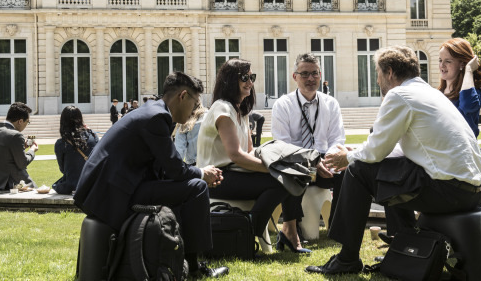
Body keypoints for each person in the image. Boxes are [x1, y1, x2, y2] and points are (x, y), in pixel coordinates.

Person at [306, 46, 481, 275]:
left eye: (378, 73)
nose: (378, 80)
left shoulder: (399, 95)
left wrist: (348, 157)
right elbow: (402, 148)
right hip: (470, 189)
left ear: (389, 72)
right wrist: (359, 149)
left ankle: (347, 258)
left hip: (448, 190)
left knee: (357, 171)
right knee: (390, 174)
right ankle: (404, 249)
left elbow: (376, 153)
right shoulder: (429, 93)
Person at [74, 72, 228, 278]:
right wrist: (202, 173)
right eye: (195, 103)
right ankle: (193, 268)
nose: (194, 111)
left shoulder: (154, 112)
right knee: (197, 188)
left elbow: (164, 169)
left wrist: (196, 174)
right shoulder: (157, 117)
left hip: (118, 189)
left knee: (186, 189)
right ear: (183, 96)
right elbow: (174, 169)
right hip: (114, 195)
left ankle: (181, 258)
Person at [196, 59, 295, 251]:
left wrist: (278, 162)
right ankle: (253, 229)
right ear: (230, 80)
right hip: (216, 178)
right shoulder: (223, 109)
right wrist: (272, 169)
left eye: (252, 77)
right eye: (244, 77)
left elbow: (250, 151)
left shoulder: (241, 111)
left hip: (233, 173)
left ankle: (284, 231)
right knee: (283, 181)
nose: (250, 82)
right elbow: (236, 155)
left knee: (290, 178)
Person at [271, 53, 346, 247]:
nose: (310, 79)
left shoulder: (331, 103)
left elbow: (337, 139)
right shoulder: (283, 105)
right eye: (304, 74)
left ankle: (338, 228)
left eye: (314, 73)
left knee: (348, 173)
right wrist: (312, 161)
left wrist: (329, 161)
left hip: (324, 159)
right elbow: (282, 145)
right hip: (296, 160)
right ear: (295, 77)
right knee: (290, 172)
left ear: (320, 75)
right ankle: (292, 229)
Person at [439, 37, 481, 191]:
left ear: (462, 63)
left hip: (469, 166)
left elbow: (468, 107)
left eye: (448, 61)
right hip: (443, 163)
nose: (442, 65)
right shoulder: (436, 94)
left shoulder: (473, 92)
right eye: (440, 60)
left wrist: (469, 70)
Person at [0, 102, 38, 190]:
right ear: (20, 121)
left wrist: (21, 148)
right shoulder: (16, 135)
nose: (27, 125)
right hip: (12, 184)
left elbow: (3, 155)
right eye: (27, 122)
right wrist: (32, 150)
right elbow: (22, 163)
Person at [53, 106, 99, 195]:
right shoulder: (93, 136)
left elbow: (63, 169)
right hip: (91, 184)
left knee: (57, 185)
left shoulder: (61, 143)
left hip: (72, 184)